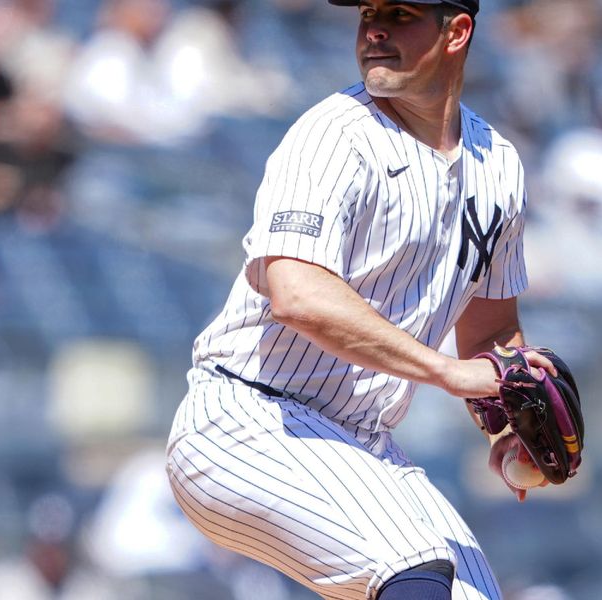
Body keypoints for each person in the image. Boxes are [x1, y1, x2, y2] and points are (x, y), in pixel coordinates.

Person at [165, 2, 557, 599]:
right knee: (414, 566)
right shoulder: (334, 134)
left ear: (457, 31)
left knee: (473, 595)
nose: (374, 29)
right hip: (245, 420)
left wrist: (507, 414)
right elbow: (298, 296)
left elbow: (490, 333)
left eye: (399, 14)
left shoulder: (498, 165)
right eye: (369, 13)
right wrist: (448, 373)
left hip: (360, 441)